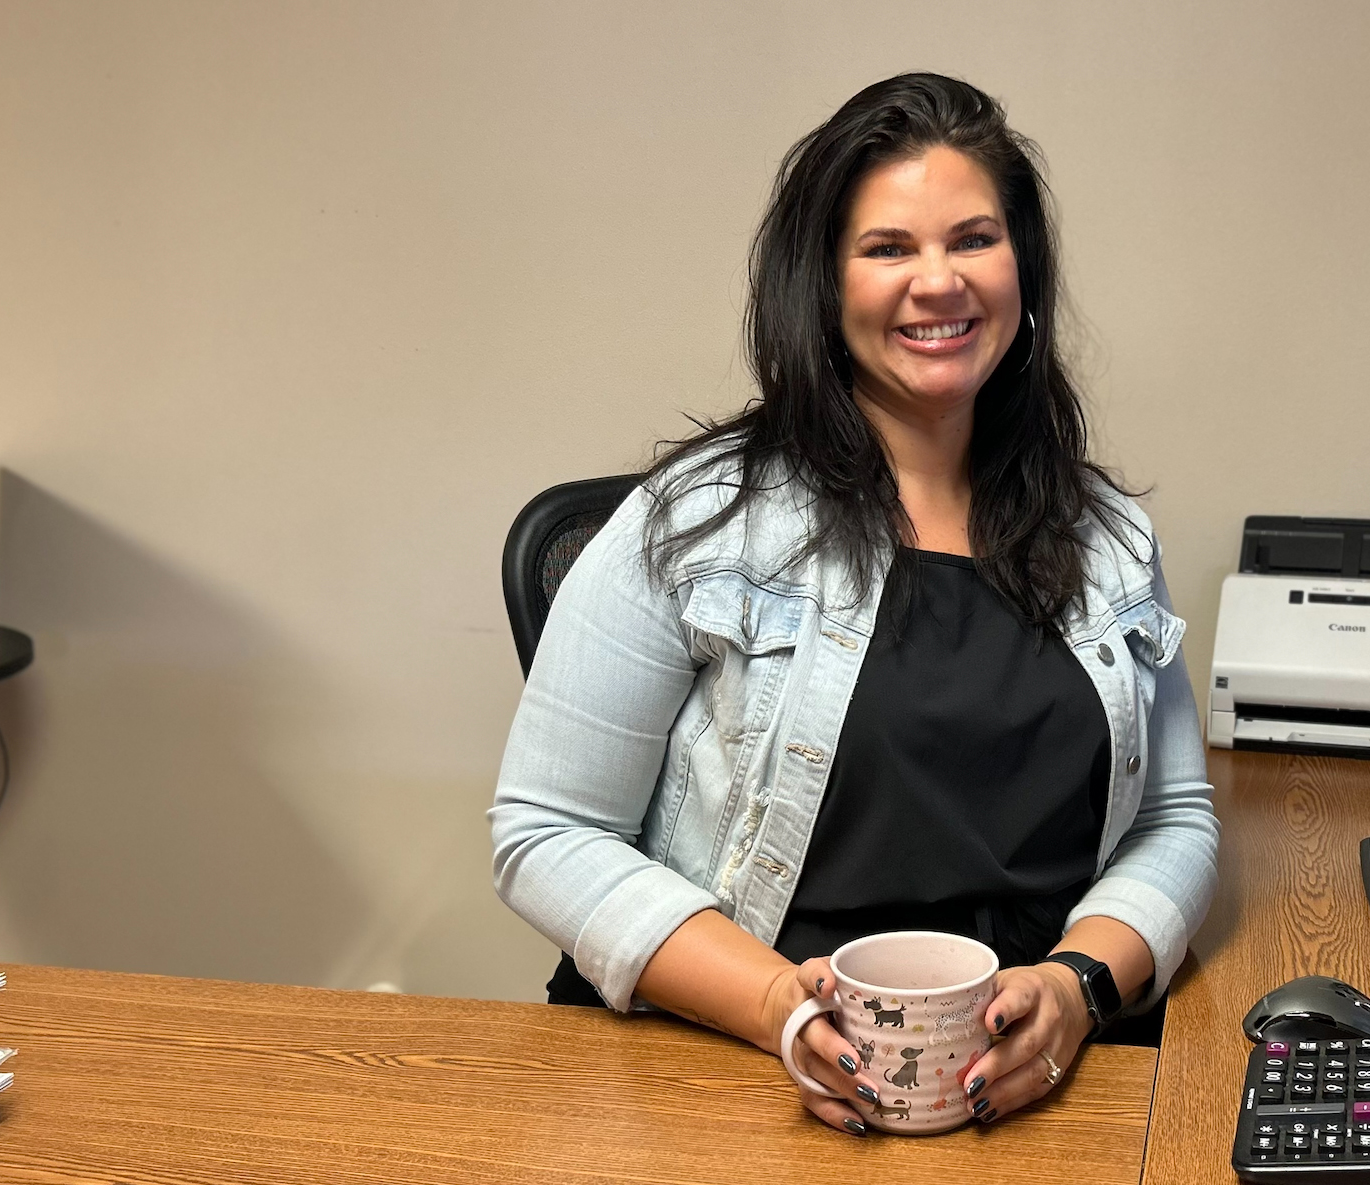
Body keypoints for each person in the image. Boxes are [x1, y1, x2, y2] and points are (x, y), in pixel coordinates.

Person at [490, 73, 1218, 1137]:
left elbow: (1175, 820)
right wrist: (775, 1007)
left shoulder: (1106, 535)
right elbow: (545, 828)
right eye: (888, 249)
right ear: (823, 286)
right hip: (741, 1083)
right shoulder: (695, 521)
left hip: (1037, 1090)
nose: (939, 282)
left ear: (1022, 268)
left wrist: (1077, 989)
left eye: (973, 239)